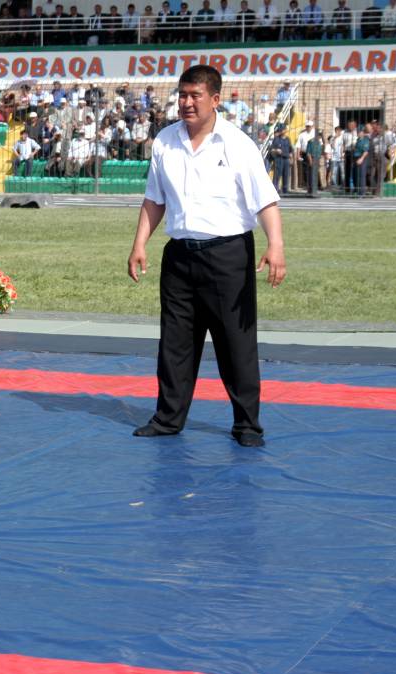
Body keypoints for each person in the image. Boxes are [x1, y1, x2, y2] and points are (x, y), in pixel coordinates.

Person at [126, 65, 286, 448]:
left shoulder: (236, 143)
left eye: (195, 95)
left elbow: (265, 199)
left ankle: (247, 425)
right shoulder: (165, 141)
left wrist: (275, 245)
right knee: (176, 343)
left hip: (227, 255)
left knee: (236, 343)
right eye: (182, 95)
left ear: (215, 100)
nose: (186, 102)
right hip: (179, 257)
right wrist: (139, 244)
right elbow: (154, 199)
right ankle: (168, 418)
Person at [270, 123, 291, 195]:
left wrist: (291, 157)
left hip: (286, 159)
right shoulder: (276, 139)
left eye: (283, 129)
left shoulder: (288, 139)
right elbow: (272, 149)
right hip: (279, 159)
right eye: (281, 130)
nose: (282, 131)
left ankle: (285, 190)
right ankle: (274, 190)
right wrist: (276, 150)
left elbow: (291, 150)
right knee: (277, 175)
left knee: (286, 174)